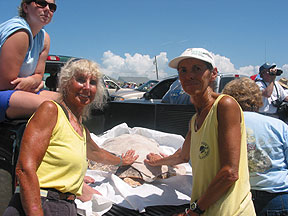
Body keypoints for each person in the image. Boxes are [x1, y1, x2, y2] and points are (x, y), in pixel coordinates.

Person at [3, 59, 139, 216]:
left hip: (65, 206)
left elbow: (97, 153)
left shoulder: (81, 129)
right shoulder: (51, 111)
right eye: (80, 80)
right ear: (66, 83)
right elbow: (25, 169)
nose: (87, 87)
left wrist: (122, 161)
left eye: (93, 82)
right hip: (40, 203)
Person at [145, 48, 255, 215]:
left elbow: (230, 173)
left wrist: (194, 211)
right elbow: (182, 156)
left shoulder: (224, 106)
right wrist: (157, 162)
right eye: (183, 70)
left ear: (213, 74)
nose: (189, 75)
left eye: (197, 68)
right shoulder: (195, 120)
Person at [222, 77, 288, 215]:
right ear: (258, 99)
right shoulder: (278, 125)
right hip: (279, 197)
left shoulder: (220, 127)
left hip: (237, 199)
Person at [0, 0, 60, 122]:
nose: (47, 9)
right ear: (25, 7)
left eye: (52, 7)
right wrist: (34, 84)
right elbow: (6, 84)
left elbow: (39, 75)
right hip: (4, 91)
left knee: (71, 103)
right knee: (52, 108)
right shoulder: (19, 32)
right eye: (41, 3)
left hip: (18, 92)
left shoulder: (44, 39)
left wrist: (32, 80)